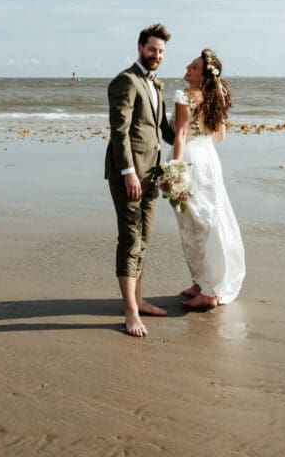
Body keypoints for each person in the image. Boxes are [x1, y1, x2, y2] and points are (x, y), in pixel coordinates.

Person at [105, 23, 175, 337]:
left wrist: (198, 129)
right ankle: (130, 312)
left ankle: (138, 298)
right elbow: (119, 132)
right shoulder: (126, 81)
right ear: (139, 48)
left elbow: (165, 130)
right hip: (130, 175)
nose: (156, 56)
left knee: (144, 239)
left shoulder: (156, 85)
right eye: (152, 50)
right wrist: (128, 172)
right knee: (130, 239)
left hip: (152, 174)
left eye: (160, 52)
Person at [170, 48, 245, 309]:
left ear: (202, 76)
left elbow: (180, 135)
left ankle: (210, 291)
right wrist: (201, 140)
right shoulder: (216, 96)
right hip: (209, 160)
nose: (188, 68)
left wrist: (175, 169)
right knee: (207, 219)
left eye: (194, 66)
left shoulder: (184, 96)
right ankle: (202, 282)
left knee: (195, 224)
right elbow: (220, 136)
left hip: (190, 159)